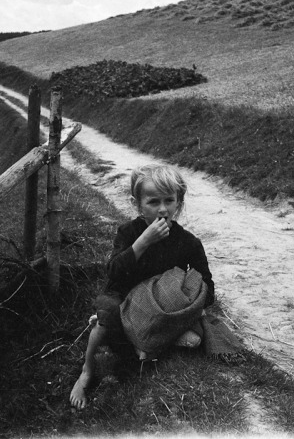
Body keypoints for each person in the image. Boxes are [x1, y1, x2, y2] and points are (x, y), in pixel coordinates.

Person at [69, 163, 215, 410]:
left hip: (160, 306)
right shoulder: (129, 232)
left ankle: (142, 348)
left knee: (192, 339)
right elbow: (113, 272)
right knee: (107, 313)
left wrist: (186, 297)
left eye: (169, 201)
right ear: (137, 204)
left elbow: (208, 287)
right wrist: (142, 243)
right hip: (126, 296)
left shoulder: (189, 242)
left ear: (179, 202)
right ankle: (87, 370)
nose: (162, 210)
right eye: (153, 202)